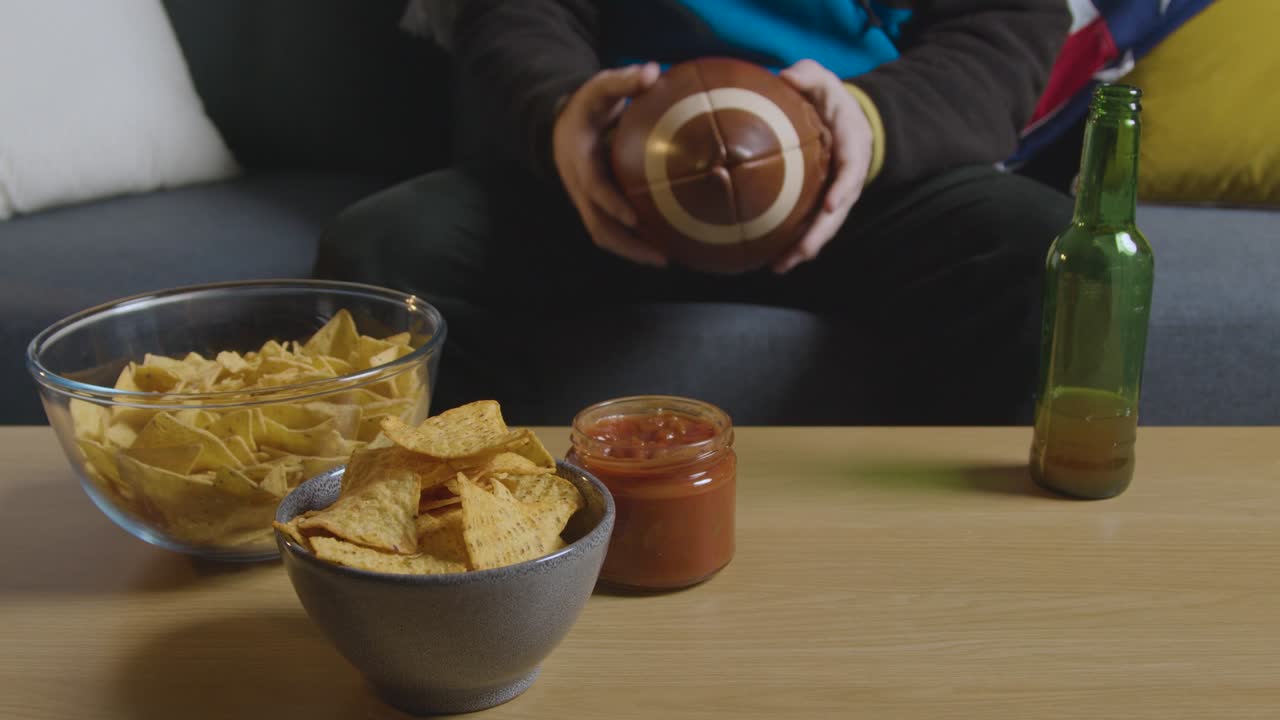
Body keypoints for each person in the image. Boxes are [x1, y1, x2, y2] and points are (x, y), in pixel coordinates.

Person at [316, 0, 1074, 425]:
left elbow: (1006, 26)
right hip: (612, 179)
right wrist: (560, 117)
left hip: (861, 184)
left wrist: (871, 125)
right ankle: (457, 567)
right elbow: (517, 13)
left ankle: (959, 575)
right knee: (387, 256)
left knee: (1046, 252)